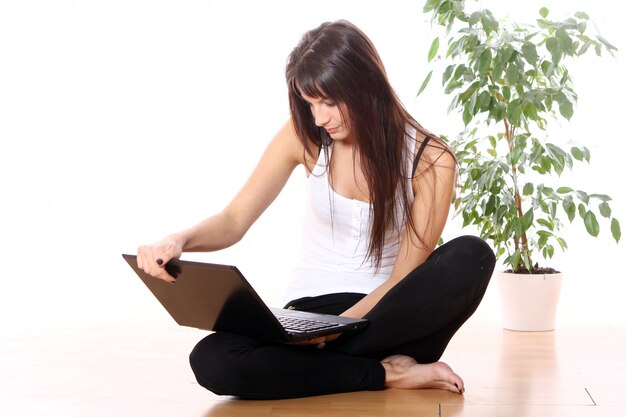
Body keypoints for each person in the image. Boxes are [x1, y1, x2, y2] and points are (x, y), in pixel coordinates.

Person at [136, 19, 495, 400]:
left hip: (386, 319)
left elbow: (405, 275)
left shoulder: (431, 160)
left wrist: (337, 329)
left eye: (329, 102)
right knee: (211, 358)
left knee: (472, 255)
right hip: (310, 312)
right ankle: (387, 373)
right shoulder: (305, 138)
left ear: (365, 84)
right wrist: (177, 241)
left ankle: (337, 367)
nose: (319, 118)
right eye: (310, 104)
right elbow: (234, 220)